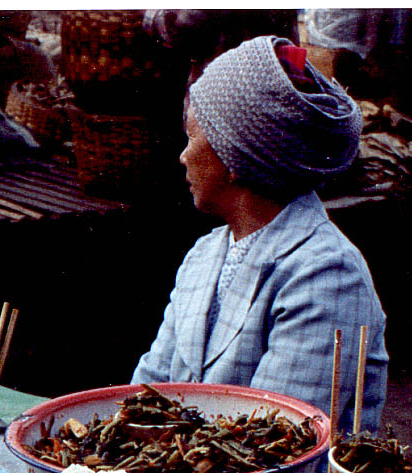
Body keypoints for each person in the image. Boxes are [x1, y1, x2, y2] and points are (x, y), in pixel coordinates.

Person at [131, 35, 387, 434]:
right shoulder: (204, 255)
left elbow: (279, 442)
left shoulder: (328, 275)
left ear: (234, 157)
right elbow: (145, 395)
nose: (183, 155)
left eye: (193, 137)